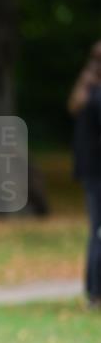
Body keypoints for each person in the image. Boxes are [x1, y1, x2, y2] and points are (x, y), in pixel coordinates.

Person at [68, 40, 101, 308]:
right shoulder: (97, 96)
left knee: (97, 231)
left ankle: (93, 291)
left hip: (90, 172)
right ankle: (95, 291)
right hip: (97, 172)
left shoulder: (87, 91)